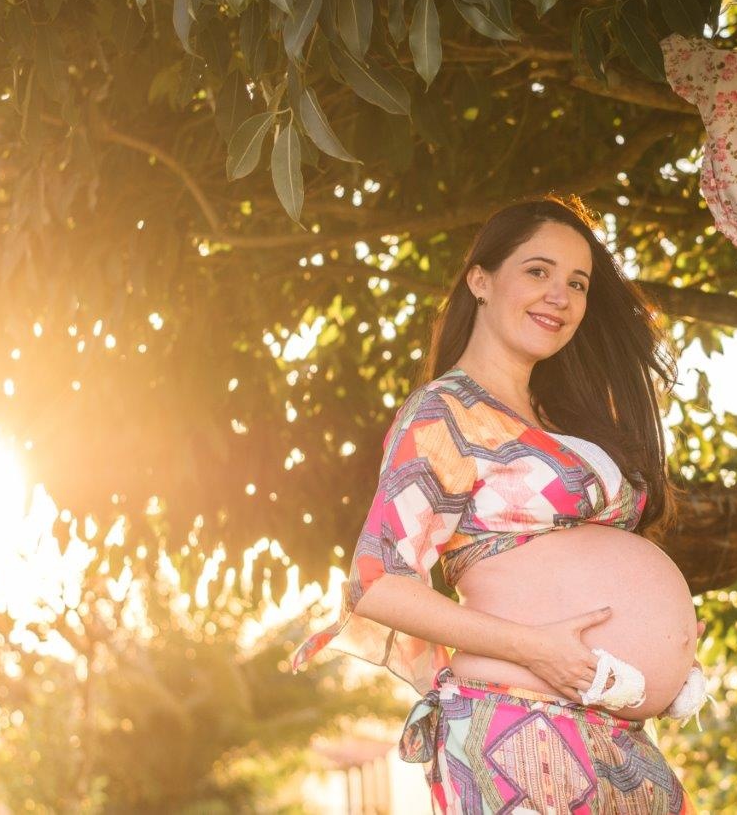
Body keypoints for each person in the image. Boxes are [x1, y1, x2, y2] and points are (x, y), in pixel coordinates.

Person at [292, 196, 701, 814]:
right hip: (520, 731)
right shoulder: (445, 415)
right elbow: (377, 585)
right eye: (538, 271)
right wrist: (535, 647)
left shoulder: (566, 420)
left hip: (616, 738)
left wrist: (668, 646)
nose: (560, 296)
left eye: (578, 283)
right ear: (480, 281)